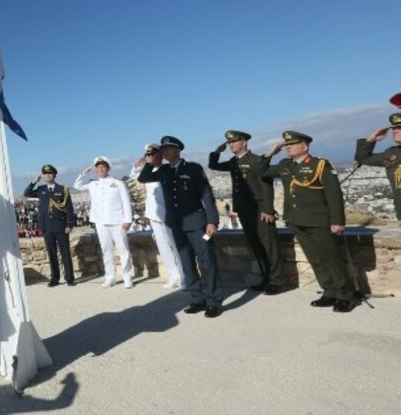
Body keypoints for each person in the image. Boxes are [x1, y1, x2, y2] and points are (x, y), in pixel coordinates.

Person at [263, 131, 355, 312]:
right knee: (316, 259)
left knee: (332, 258)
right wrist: (270, 153)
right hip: (297, 220)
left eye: (292, 144)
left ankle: (345, 295)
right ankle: (329, 292)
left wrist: (337, 221)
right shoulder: (284, 165)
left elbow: (334, 195)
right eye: (287, 145)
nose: (288, 147)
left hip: (319, 220)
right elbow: (261, 170)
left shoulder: (320, 165)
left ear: (305, 146)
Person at [138, 136, 223, 318]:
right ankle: (197, 298)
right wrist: (153, 161)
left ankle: (214, 300)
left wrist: (212, 221)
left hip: (197, 223)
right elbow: (144, 177)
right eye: (163, 150)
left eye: (168, 149)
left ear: (178, 150)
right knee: (186, 263)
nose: (166, 152)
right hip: (177, 225)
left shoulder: (193, 168)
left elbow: (206, 195)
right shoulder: (164, 170)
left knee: (207, 261)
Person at [209, 130, 286, 294]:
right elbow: (213, 165)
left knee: (269, 246)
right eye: (229, 143)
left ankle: (278, 281)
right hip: (244, 210)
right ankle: (267, 278)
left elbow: (266, 185)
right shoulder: (233, 161)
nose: (231, 145)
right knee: (256, 246)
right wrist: (217, 152)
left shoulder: (256, 160)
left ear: (245, 142)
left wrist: (267, 209)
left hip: (259, 210)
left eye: (234, 142)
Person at [74, 156, 134, 288]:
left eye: (103, 167)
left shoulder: (117, 183)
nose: (100, 169)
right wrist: (84, 173)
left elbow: (125, 201)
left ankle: (127, 276)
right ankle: (110, 276)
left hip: (118, 220)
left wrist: (128, 219)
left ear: (108, 168)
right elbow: (77, 186)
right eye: (98, 167)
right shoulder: (93, 184)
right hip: (100, 221)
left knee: (123, 249)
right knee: (106, 250)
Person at [130, 144, 184, 290]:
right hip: (154, 213)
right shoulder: (148, 171)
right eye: (149, 155)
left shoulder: (166, 169)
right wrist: (138, 165)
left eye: (154, 154)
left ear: (160, 155)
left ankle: (183, 275)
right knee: (163, 247)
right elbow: (134, 177)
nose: (151, 157)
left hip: (168, 212)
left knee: (175, 245)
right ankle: (173, 275)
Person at [24, 164, 77, 287]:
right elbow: (27, 193)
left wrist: (70, 224)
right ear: (43, 176)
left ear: (54, 175)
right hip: (46, 226)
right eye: (45, 174)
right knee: (51, 253)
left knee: (65, 252)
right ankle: (55, 278)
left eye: (50, 173)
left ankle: (69, 277)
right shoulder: (41, 189)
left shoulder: (62, 189)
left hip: (60, 225)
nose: (48, 176)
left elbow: (69, 207)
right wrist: (34, 181)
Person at [354, 112, 401, 221]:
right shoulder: (392, 154)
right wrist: (371, 139)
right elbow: (362, 158)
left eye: (399, 127)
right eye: (394, 128)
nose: (395, 130)